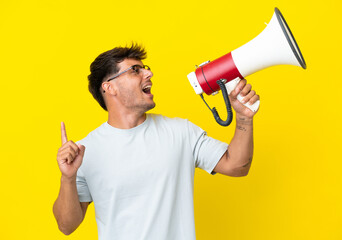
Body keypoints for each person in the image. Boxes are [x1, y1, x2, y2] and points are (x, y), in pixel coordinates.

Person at [53, 44, 259, 240]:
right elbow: (66, 225)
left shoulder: (181, 132)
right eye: (135, 70)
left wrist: (243, 118)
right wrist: (68, 178)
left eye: (145, 68)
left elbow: (237, 166)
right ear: (109, 87)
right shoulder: (84, 151)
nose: (148, 74)